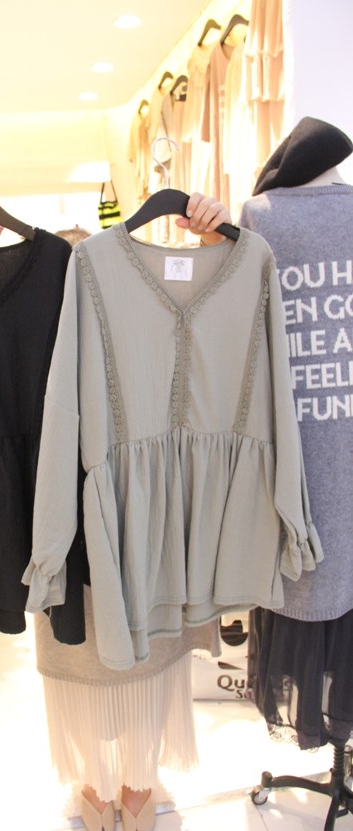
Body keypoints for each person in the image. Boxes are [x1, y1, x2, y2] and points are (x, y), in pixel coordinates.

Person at [0, 194, 235, 831]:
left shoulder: (111, 295)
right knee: (97, 643)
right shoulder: (67, 297)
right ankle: (120, 788)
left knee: (122, 643)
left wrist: (212, 246)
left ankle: (119, 787)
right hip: (80, 491)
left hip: (99, 488)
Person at [239, 117, 353, 755]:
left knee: (306, 587)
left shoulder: (261, 216)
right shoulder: (257, 219)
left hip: (295, 463)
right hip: (305, 466)